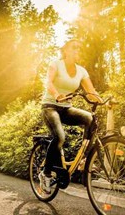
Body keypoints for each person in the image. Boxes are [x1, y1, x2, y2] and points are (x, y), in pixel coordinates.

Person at [39, 39, 103, 193]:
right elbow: (48, 82)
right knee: (60, 137)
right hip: (50, 107)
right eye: (74, 48)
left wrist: (103, 101)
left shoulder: (82, 71)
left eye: (79, 49)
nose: (77, 51)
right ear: (66, 50)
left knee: (90, 118)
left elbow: (91, 92)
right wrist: (56, 94)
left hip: (66, 109)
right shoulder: (56, 64)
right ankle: (45, 173)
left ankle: (83, 161)